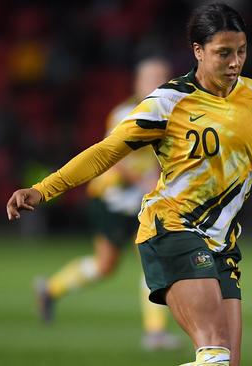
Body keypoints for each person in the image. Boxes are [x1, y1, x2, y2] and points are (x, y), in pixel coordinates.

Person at [6, 3, 252, 366]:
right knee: (215, 352)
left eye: (241, 51)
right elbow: (106, 152)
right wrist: (43, 189)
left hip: (222, 243)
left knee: (224, 363)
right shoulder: (169, 103)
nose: (235, 62)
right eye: (223, 53)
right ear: (198, 51)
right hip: (173, 229)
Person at [31, 57, 181, 350]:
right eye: (150, 77)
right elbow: (114, 156)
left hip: (140, 201)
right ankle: (50, 289)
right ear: (137, 84)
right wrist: (144, 182)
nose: (157, 83)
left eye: (162, 77)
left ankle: (155, 333)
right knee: (106, 265)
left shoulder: (172, 113)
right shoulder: (125, 113)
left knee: (154, 259)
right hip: (112, 198)